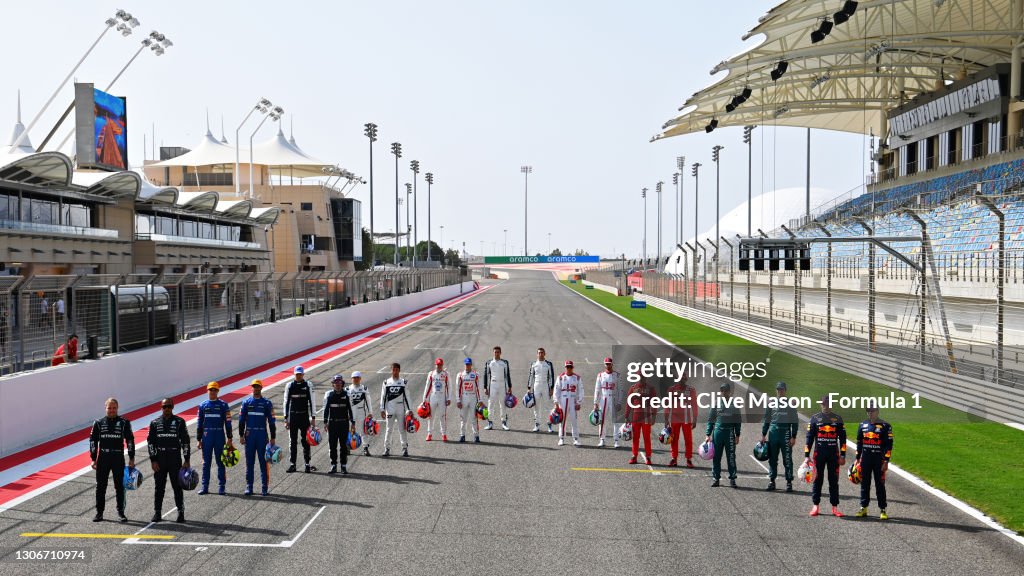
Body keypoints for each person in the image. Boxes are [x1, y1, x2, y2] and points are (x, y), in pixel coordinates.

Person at [147, 398, 191, 523]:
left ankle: (181, 513)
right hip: (160, 458)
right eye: (164, 406)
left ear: (173, 407)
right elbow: (151, 443)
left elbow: (185, 442)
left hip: (174, 457)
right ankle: (157, 513)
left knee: (177, 487)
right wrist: (153, 460)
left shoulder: (180, 422)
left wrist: (187, 459)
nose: (167, 409)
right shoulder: (154, 423)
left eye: (169, 406)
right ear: (161, 407)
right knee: (159, 487)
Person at [90, 398, 134, 522]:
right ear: (105, 408)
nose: (112, 410)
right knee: (100, 487)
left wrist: (131, 458)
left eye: (114, 408)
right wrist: (93, 459)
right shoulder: (98, 423)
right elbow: (93, 441)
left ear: (117, 408)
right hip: (103, 457)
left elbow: (130, 440)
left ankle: (121, 512)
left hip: (118, 457)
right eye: (109, 408)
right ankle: (99, 513)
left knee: (119, 486)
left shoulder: (124, 422)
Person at [804, 395, 847, 517]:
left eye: (828, 404)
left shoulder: (838, 419)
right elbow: (809, 438)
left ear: (831, 405)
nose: (825, 406)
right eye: (823, 404)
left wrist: (843, 455)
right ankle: (815, 506)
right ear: (820, 404)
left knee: (833, 481)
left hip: (834, 454)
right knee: (818, 480)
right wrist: (807, 456)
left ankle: (835, 507)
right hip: (819, 454)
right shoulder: (814, 418)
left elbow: (843, 439)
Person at [855, 403, 893, 520]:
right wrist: (857, 459)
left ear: (878, 411)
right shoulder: (862, 425)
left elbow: (889, 446)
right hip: (866, 459)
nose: (870, 413)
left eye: (872, 410)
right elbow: (859, 443)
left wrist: (886, 461)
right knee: (865, 484)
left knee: (879, 485)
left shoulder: (886, 426)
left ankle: (882, 509)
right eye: (868, 411)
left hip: (879, 461)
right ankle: (863, 507)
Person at [239, 379, 277, 496]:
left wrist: (273, 437)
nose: (256, 388)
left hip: (262, 435)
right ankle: (249, 487)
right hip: (249, 435)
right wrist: (241, 435)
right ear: (252, 388)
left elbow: (271, 422)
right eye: (254, 387)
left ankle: (264, 488)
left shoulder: (267, 403)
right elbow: (241, 421)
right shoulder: (246, 402)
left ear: (261, 388)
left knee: (263, 462)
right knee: (249, 462)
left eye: (258, 387)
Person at [197, 381, 234, 495]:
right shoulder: (202, 405)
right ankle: (205, 487)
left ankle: (222, 487)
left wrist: (230, 438)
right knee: (206, 463)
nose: (212, 391)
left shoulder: (223, 405)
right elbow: (199, 424)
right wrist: (199, 440)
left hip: (219, 436)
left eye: (214, 389)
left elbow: (228, 422)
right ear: (207, 391)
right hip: (207, 436)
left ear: (218, 391)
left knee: (220, 462)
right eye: (210, 389)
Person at [761, 381, 799, 492]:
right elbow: (766, 420)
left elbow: (795, 422)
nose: (780, 391)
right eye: (778, 389)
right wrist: (763, 434)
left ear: (785, 390)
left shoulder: (790, 404)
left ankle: (789, 482)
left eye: (782, 389)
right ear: (776, 390)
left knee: (787, 459)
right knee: (772, 459)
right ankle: (772, 481)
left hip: (785, 435)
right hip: (773, 435)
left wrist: (793, 436)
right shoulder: (771, 403)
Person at [705, 382, 742, 488]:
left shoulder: (734, 404)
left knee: (731, 457)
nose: (724, 392)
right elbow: (711, 419)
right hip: (717, 433)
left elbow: (738, 421)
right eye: (722, 390)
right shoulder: (716, 403)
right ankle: (716, 478)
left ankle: (732, 479)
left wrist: (737, 435)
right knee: (716, 457)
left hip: (729, 433)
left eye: (726, 390)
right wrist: (708, 434)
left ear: (730, 392)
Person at [284, 365, 316, 473]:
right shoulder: (289, 385)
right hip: (293, 417)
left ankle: (307, 464)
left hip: (304, 417)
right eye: (297, 374)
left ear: (303, 374)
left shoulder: (308, 385)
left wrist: (313, 417)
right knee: (292, 442)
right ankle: (293, 464)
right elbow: (286, 403)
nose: (298, 376)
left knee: (306, 441)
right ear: (294, 374)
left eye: (300, 374)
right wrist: (286, 418)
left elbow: (312, 401)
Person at [323, 374, 356, 474]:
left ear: (342, 384)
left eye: (339, 382)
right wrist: (325, 422)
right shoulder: (329, 395)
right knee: (332, 446)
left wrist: (353, 423)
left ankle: (343, 466)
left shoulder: (347, 395)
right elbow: (326, 410)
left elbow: (350, 410)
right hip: (332, 424)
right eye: (336, 383)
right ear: (333, 384)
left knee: (343, 446)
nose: (338, 384)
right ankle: (333, 465)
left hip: (344, 424)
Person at [665, 372, 697, 467]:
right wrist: (666, 418)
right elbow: (668, 404)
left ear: (686, 379)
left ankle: (689, 459)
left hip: (686, 418)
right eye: (679, 379)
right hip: (674, 418)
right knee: (674, 439)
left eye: (683, 379)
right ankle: (674, 458)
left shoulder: (691, 390)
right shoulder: (672, 389)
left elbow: (694, 405)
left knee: (688, 439)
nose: (681, 381)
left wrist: (695, 418)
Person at [379, 362, 412, 457]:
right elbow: (383, 396)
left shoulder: (404, 382)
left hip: (400, 408)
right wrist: (382, 409)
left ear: (399, 370)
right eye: (393, 370)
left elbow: (407, 397)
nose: (395, 372)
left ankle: (405, 448)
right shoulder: (386, 382)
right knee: (389, 429)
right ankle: (386, 449)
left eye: (397, 370)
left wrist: (410, 409)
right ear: (391, 370)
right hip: (390, 408)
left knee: (402, 429)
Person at [624, 374, 656, 465]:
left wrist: (654, 416)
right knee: (635, 438)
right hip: (636, 417)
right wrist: (626, 416)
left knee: (647, 438)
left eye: (644, 377)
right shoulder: (633, 388)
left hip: (646, 417)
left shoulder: (651, 388)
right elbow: (629, 403)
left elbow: (654, 402)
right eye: (640, 377)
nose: (642, 379)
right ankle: (634, 456)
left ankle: (648, 457)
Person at [554, 360, 584, 446]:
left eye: (570, 367)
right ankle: (561, 438)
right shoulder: (560, 377)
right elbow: (556, 390)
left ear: (572, 367)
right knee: (562, 421)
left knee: (574, 420)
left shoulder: (577, 377)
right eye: (567, 367)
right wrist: (556, 402)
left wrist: (579, 402)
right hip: (563, 401)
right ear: (565, 367)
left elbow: (581, 390)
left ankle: (576, 438)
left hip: (573, 401)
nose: (569, 368)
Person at [593, 357, 621, 448]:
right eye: (606, 364)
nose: (608, 365)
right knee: (602, 420)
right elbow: (597, 389)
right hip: (603, 399)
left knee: (615, 421)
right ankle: (602, 439)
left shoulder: (617, 375)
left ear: (612, 364)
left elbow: (620, 390)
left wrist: (619, 402)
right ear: (604, 365)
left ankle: (616, 440)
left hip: (613, 399)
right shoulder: (600, 375)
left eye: (609, 364)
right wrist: (595, 402)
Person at [527, 347, 555, 432]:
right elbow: (531, 376)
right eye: (539, 353)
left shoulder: (548, 364)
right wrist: (529, 388)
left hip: (545, 386)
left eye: (542, 352)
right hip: (536, 386)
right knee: (536, 406)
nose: (540, 354)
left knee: (548, 406)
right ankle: (537, 425)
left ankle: (549, 425)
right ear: (537, 354)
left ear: (544, 354)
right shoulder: (534, 364)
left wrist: (551, 388)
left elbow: (551, 377)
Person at [483, 346, 512, 430]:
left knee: (502, 404)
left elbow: (507, 375)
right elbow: (486, 375)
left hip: (502, 385)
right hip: (493, 385)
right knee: (490, 404)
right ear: (493, 353)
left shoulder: (505, 362)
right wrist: (485, 387)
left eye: (498, 352)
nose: (496, 354)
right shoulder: (489, 363)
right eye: (495, 352)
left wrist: (510, 386)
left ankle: (504, 423)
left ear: (500, 353)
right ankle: (490, 423)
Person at [422, 358, 451, 442]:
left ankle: (444, 434)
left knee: (442, 416)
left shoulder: (446, 374)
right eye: (437, 365)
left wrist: (449, 398)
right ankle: (429, 434)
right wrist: (424, 399)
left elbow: (449, 386)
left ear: (442, 365)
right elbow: (427, 386)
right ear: (435, 365)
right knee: (431, 416)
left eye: (440, 365)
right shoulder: (431, 374)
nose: (439, 366)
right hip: (433, 397)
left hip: (442, 397)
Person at [347, 371, 374, 456]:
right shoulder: (347, 389)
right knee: (349, 430)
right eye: (354, 378)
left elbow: (368, 401)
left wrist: (370, 412)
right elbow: (345, 403)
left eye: (357, 377)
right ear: (351, 379)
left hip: (361, 412)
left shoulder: (364, 388)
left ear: (360, 378)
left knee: (363, 430)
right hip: (350, 413)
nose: (356, 379)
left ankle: (365, 447)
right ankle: (347, 447)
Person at [456, 358, 482, 443]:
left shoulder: (475, 374)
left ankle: (476, 436)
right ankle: (462, 435)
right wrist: (458, 400)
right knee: (463, 418)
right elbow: (458, 389)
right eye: (466, 364)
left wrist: (480, 400)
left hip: (473, 398)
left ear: (471, 365)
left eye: (469, 364)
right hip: (464, 398)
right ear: (464, 365)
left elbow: (478, 388)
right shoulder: (460, 375)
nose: (467, 366)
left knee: (474, 418)